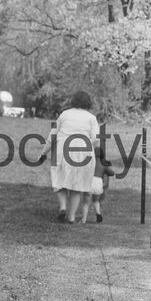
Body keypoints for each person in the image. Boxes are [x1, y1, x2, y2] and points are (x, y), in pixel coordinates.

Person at [40, 90, 100, 225]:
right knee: (77, 185)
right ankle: (72, 217)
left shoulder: (64, 114)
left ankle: (62, 207)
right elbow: (96, 139)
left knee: (60, 179)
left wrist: (44, 153)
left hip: (62, 148)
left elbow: (52, 136)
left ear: (73, 101)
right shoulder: (91, 117)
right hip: (83, 150)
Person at [81, 147, 115, 224]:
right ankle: (98, 213)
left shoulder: (88, 162)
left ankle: (83, 220)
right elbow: (112, 173)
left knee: (86, 203)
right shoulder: (103, 164)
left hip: (89, 182)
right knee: (96, 201)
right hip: (98, 183)